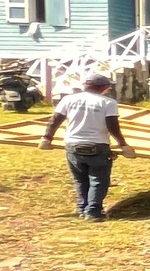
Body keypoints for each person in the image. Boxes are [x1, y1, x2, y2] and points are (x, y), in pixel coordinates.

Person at [40, 73, 134, 221]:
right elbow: (112, 126)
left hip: (73, 144)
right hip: (97, 145)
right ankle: (93, 212)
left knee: (81, 179)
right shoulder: (108, 103)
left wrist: (47, 138)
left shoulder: (68, 99)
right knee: (98, 180)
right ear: (104, 87)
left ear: (84, 86)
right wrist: (123, 145)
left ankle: (83, 208)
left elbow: (55, 120)